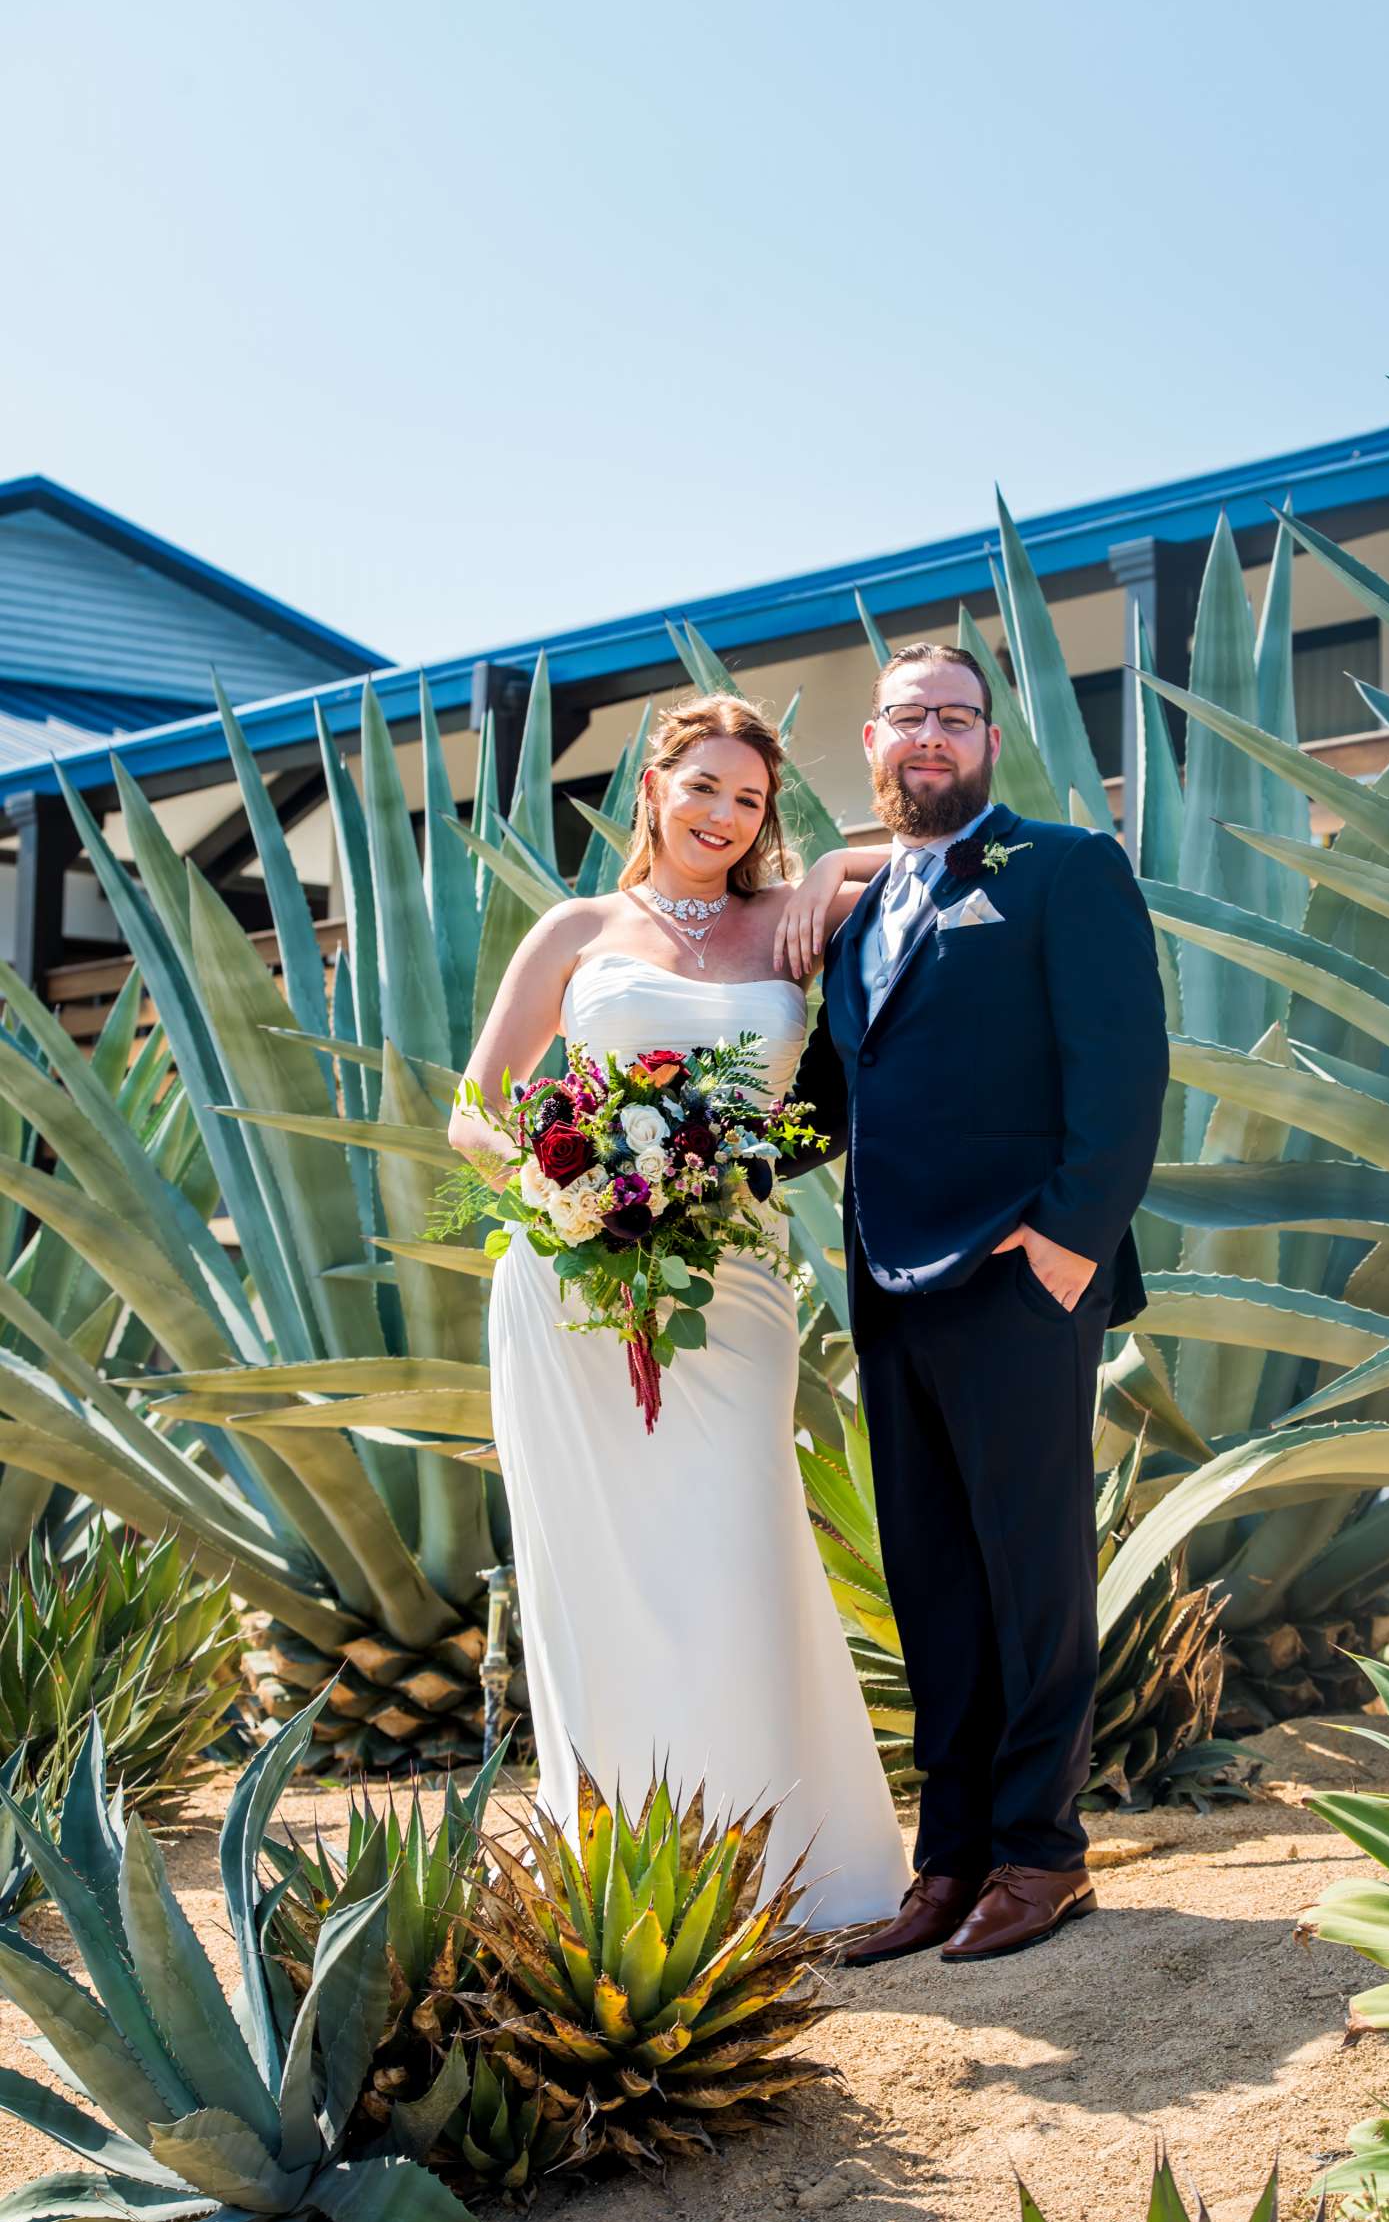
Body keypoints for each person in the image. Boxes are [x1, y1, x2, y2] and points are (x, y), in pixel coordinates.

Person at [448, 692, 906, 1929]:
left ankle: (787, 1871)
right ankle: (627, 1874)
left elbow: (948, 850)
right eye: (701, 786)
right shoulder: (578, 928)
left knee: (732, 1545)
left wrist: (842, 863)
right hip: (572, 1283)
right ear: (651, 787)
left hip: (736, 1282)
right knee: (603, 1566)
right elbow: (475, 1109)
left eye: (750, 798)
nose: (723, 814)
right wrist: (569, 1188)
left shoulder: (791, 920)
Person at [776, 641, 1169, 1964]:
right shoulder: (859, 908)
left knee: (1030, 1571)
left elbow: (1120, 1072)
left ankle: (1040, 1856)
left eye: (954, 716)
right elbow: (834, 1101)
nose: (929, 736)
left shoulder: (1063, 870)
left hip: (1017, 1279)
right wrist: (668, 1178)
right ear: (873, 745)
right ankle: (946, 1863)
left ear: (988, 742)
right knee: (934, 1581)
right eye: (905, 718)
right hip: (886, 1287)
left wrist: (1065, 1248)